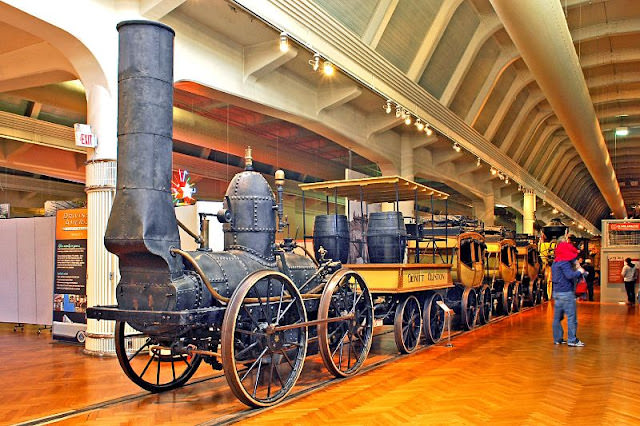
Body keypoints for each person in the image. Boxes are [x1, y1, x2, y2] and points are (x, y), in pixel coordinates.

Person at [551, 238, 586, 347]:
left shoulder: (555, 263)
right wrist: (580, 272)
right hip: (566, 292)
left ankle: (558, 339)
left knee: (557, 318)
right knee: (571, 318)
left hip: (556, 293)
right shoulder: (564, 263)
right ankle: (572, 340)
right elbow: (569, 275)